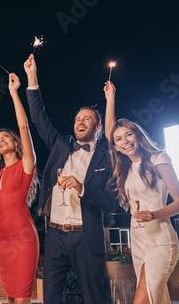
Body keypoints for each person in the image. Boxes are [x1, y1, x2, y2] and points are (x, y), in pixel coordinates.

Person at [24, 54, 118, 304]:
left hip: (86, 236)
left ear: (97, 127)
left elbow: (112, 203)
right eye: (77, 119)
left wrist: (83, 188)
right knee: (52, 298)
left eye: (87, 119)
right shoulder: (60, 144)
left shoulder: (105, 157)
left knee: (94, 297)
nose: (80, 122)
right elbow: (39, 119)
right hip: (54, 235)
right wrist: (32, 78)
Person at [104, 81, 179, 304]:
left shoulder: (158, 158)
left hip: (161, 239)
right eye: (119, 139)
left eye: (128, 135)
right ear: (116, 146)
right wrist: (110, 99)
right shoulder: (126, 168)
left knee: (142, 298)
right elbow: (108, 133)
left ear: (137, 135)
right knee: (156, 299)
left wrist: (153, 214)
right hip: (138, 240)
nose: (125, 141)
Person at [0, 73, 38, 304]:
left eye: (6, 137)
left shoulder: (26, 166)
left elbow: (23, 126)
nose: (1, 140)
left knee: (22, 298)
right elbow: (4, 206)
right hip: (0, 236)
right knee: (10, 297)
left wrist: (14, 93)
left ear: (15, 142)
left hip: (22, 236)